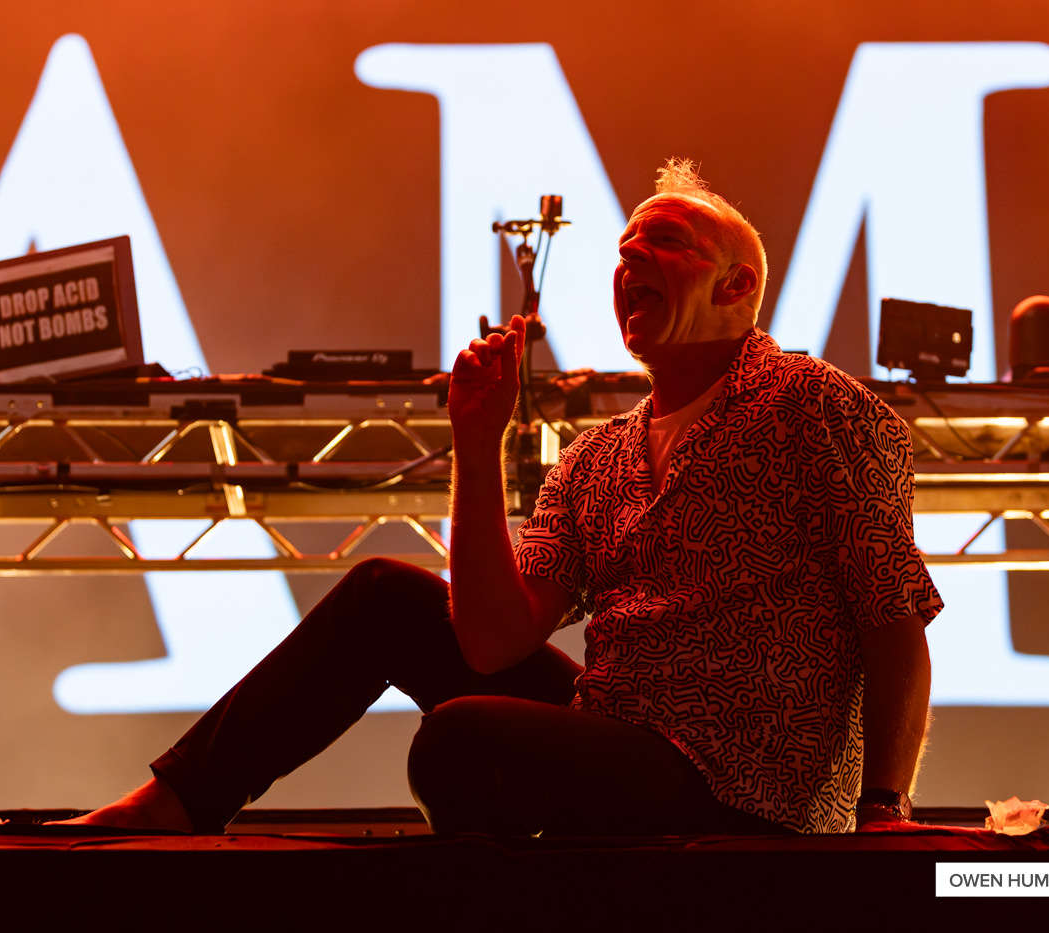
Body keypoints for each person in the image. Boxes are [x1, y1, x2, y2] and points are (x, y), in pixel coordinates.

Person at [61, 159, 940, 835]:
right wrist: (475, 445)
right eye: (624, 249)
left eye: (662, 244)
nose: (629, 258)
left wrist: (885, 813)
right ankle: (181, 798)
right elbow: (488, 640)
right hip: (619, 732)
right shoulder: (598, 457)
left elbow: (892, 619)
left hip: (743, 782)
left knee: (461, 736)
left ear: (736, 287)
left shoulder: (811, 404)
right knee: (381, 597)